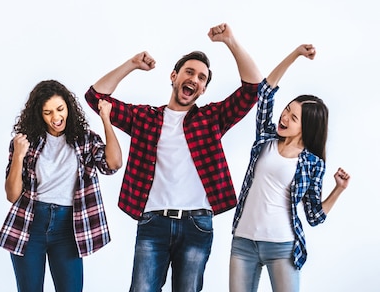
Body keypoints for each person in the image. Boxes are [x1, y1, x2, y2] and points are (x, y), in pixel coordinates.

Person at [84, 23, 263, 291]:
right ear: (174, 76)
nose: (194, 79)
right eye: (189, 72)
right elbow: (95, 96)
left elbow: (253, 89)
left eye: (201, 78)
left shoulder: (211, 118)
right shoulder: (144, 118)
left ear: (202, 90)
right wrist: (131, 64)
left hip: (197, 225)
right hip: (153, 222)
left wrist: (230, 41)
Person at [229, 44, 351, 292]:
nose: (284, 118)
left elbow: (314, 216)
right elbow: (265, 91)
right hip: (243, 242)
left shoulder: (312, 163)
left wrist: (338, 189)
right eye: (287, 110)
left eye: (293, 118)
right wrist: (295, 54)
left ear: (306, 128)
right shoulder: (265, 138)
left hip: (282, 246)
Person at [0, 80, 122, 292]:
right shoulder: (27, 142)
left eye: (60, 109)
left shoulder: (85, 140)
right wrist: (18, 155)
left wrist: (106, 120)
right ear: (39, 115)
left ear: (68, 108)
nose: (56, 117)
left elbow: (113, 164)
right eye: (48, 112)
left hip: (69, 227)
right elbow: (12, 195)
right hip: (30, 224)